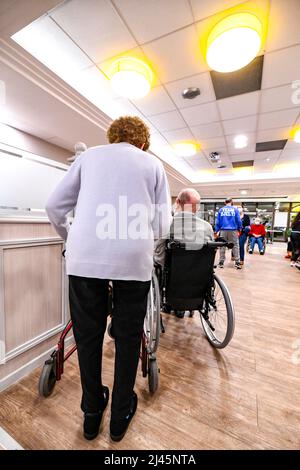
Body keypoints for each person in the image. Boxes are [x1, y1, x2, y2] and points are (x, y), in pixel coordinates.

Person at [46, 116, 171, 442]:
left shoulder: (89, 158)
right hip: (133, 261)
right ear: (143, 142)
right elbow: (163, 225)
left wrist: (71, 238)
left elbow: (54, 206)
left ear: (114, 137)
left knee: (88, 339)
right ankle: (119, 417)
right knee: (128, 339)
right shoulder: (152, 164)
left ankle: (91, 413)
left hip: (85, 258)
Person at [154, 188, 214, 318]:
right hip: (198, 277)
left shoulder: (167, 225)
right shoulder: (207, 227)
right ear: (197, 207)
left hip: (173, 277)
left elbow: (158, 255)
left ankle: (168, 303)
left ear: (177, 202)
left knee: (157, 263)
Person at [215, 198, 242, 269]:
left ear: (225, 202)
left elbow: (218, 221)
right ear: (232, 202)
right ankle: (237, 262)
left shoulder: (221, 210)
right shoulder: (235, 210)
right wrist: (240, 228)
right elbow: (239, 220)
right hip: (233, 230)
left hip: (223, 230)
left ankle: (221, 262)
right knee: (235, 245)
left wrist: (216, 230)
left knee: (222, 245)